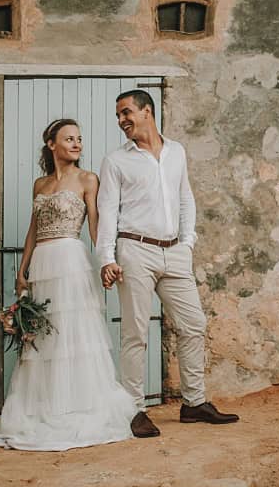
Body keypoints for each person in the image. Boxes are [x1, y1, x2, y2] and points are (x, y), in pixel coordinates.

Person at [0, 118, 135, 451]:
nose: (77, 144)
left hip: (71, 260)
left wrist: (106, 261)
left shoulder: (87, 179)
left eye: (79, 138)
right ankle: (44, 406)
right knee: (43, 337)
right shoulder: (40, 185)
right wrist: (22, 271)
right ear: (51, 144)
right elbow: (33, 231)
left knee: (73, 333)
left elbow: (95, 225)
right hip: (42, 265)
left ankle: (77, 406)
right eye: (69, 139)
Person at [97, 89, 240, 438]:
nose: (121, 121)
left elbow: (185, 198)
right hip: (135, 250)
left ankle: (194, 403)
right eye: (118, 116)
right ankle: (133, 409)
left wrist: (187, 242)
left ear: (148, 111)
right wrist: (106, 258)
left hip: (175, 252)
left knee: (193, 324)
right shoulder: (116, 161)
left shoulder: (176, 152)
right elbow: (107, 213)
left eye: (126, 112)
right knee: (136, 333)